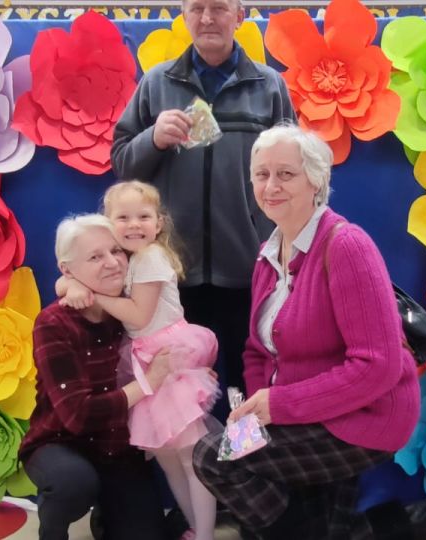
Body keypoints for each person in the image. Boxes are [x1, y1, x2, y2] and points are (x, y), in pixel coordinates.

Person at [192, 125, 426, 540]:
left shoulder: (347, 245)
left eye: (286, 174)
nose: (270, 186)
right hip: (304, 412)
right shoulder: (267, 256)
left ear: (316, 180)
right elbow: (257, 351)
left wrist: (278, 405)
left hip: (366, 415)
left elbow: (377, 367)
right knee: (330, 525)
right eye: (261, 174)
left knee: (213, 456)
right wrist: (264, 410)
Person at [111, 0, 296, 420]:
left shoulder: (268, 86)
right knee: (182, 380)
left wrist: (280, 243)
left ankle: (244, 454)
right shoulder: (156, 83)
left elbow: (295, 170)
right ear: (184, 15)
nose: (208, 18)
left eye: (219, 8)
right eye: (197, 8)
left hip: (247, 268)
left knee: (246, 379)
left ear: (240, 16)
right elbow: (122, 163)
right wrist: (152, 139)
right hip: (172, 273)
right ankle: (195, 458)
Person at [57, 181, 220, 540]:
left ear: (158, 223)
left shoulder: (151, 257)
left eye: (143, 217)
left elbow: (140, 315)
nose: (134, 225)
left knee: (190, 458)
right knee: (168, 460)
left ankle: (206, 534)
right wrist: (71, 285)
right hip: (144, 361)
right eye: (123, 218)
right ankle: (196, 527)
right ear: (108, 222)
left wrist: (91, 292)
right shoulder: (124, 258)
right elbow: (63, 281)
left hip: (168, 357)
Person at [21, 214, 173, 540]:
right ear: (66, 269)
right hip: (60, 441)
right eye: (95, 257)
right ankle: (52, 530)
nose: (112, 263)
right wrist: (147, 384)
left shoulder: (134, 310)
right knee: (72, 483)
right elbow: (78, 415)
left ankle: (107, 516)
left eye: (116, 251)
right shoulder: (53, 323)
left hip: (117, 446)